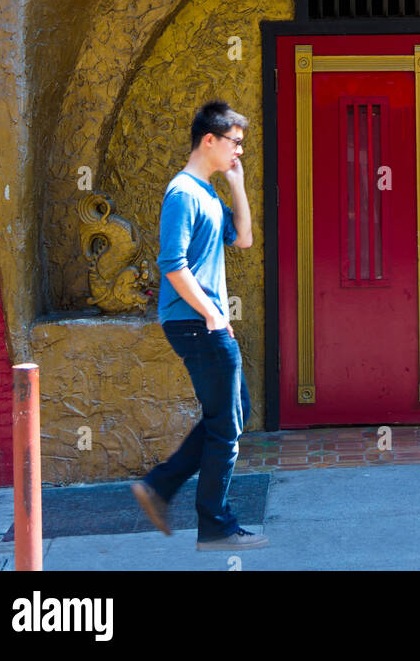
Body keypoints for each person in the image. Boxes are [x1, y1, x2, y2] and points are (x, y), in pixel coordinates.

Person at [131, 100, 268, 550]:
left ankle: (160, 486)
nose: (239, 151)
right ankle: (215, 526)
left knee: (234, 412)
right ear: (209, 140)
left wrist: (238, 185)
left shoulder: (207, 192)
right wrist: (212, 314)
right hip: (197, 323)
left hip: (202, 323)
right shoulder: (183, 193)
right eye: (235, 143)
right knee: (227, 426)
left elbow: (243, 239)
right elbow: (172, 264)